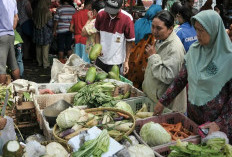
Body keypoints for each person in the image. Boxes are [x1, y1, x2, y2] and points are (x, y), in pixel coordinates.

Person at [154, 10, 232, 142]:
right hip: (193, 119)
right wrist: (163, 101)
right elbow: (180, 79)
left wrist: (219, 123)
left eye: (202, 30)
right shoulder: (195, 51)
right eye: (196, 29)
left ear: (214, 30)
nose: (198, 34)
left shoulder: (228, 58)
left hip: (217, 126)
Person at [142, 10, 187, 113]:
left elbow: (168, 76)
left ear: (170, 29)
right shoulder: (160, 39)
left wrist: (153, 57)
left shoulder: (175, 48)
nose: (154, 31)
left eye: (159, 28)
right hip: (156, 100)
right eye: (153, 26)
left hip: (167, 106)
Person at [126, 4, 162, 89]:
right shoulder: (154, 28)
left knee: (131, 78)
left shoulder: (138, 21)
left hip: (132, 54)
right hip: (144, 59)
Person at [95, 0, 135, 74]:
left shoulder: (127, 19)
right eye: (109, 10)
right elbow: (97, 32)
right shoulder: (101, 14)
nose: (111, 13)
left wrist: (126, 61)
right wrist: (98, 48)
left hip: (116, 62)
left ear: (121, 7)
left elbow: (129, 41)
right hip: (100, 59)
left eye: (114, 11)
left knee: (114, 83)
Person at [0, 0, 20, 84]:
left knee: (1, 67)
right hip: (11, 35)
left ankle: (2, 92)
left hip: (1, 35)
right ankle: (20, 88)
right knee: (14, 64)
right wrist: (12, 29)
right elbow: (16, 18)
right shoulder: (12, 1)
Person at [33, 0, 53, 69]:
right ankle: (45, 63)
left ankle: (39, 62)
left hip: (37, 32)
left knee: (38, 47)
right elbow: (50, 24)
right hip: (45, 33)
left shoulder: (35, 11)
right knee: (45, 47)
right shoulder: (47, 12)